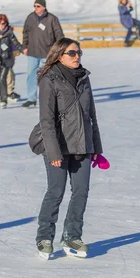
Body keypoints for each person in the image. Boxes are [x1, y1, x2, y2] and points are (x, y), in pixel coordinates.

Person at [35, 38, 103, 260]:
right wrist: (53, 153)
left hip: (82, 143)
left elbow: (91, 114)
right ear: (59, 56)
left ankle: (72, 236)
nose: (77, 57)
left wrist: (96, 147)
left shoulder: (84, 78)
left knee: (81, 191)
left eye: (79, 52)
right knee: (56, 191)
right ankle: (45, 236)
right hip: (58, 144)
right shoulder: (50, 79)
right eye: (72, 53)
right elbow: (46, 120)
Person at [22, 0, 63, 108]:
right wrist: (25, 46)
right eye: (34, 6)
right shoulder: (30, 17)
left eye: (38, 6)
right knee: (31, 75)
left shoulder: (52, 19)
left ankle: (49, 98)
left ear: (44, 7)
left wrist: (58, 50)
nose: (36, 8)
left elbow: (59, 35)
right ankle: (31, 98)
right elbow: (25, 32)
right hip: (33, 51)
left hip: (47, 52)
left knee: (48, 76)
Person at [0, 14, 23, 109]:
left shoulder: (9, 33)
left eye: (4, 23)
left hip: (7, 59)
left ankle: (3, 100)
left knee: (3, 78)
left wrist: (23, 49)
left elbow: (16, 43)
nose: (2, 25)